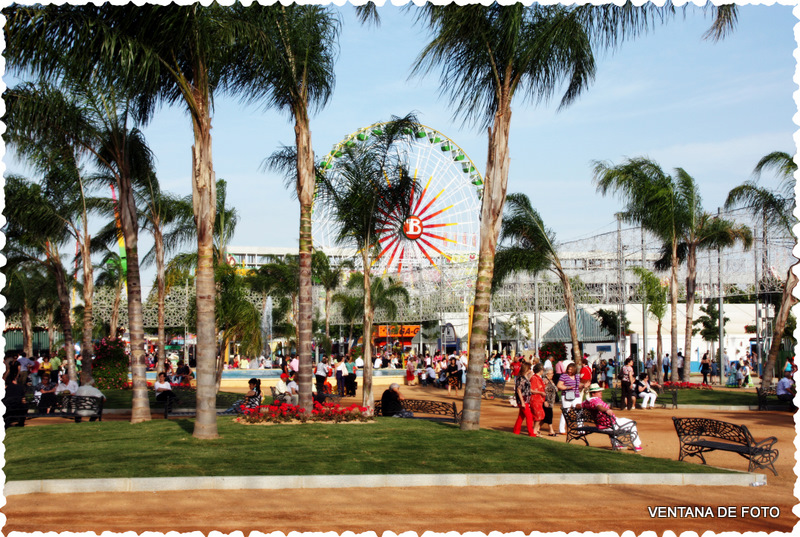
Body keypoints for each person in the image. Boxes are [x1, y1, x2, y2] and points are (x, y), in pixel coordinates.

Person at [582, 383, 642, 451]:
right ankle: (636, 445)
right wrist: (606, 410)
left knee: (617, 421)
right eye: (598, 392)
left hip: (601, 425)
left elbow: (578, 406)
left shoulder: (587, 401)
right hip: (609, 425)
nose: (601, 393)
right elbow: (599, 407)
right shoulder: (596, 400)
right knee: (632, 423)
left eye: (600, 391)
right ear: (593, 393)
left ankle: (616, 444)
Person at [556, 362, 581, 435]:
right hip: (566, 396)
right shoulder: (564, 376)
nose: (569, 371)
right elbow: (559, 385)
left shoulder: (577, 376)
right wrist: (567, 387)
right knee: (565, 412)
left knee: (579, 412)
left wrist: (583, 386)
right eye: (568, 369)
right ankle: (562, 429)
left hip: (576, 396)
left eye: (571, 369)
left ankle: (580, 429)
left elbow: (578, 385)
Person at [513, 361, 535, 437]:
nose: (530, 370)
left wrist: (530, 376)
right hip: (523, 400)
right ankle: (531, 433)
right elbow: (519, 390)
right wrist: (522, 402)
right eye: (529, 369)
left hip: (525, 399)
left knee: (521, 416)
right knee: (529, 416)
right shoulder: (521, 378)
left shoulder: (524, 377)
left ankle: (516, 431)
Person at [3, 362, 26, 428]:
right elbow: (23, 401)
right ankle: (21, 422)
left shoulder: (7, 388)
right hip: (18, 407)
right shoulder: (20, 388)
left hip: (8, 408)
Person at [529, 363, 546, 436]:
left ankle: (536, 430)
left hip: (539, 400)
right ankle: (535, 430)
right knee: (538, 415)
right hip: (535, 399)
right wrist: (540, 392)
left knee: (540, 415)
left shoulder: (538, 378)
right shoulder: (534, 378)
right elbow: (531, 390)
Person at [542, 369, 558, 436]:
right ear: (546, 374)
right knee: (549, 415)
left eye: (552, 373)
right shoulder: (544, 380)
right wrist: (545, 400)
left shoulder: (551, 381)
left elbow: (556, 389)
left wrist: (553, 383)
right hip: (547, 401)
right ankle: (551, 431)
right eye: (551, 373)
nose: (552, 374)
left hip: (551, 402)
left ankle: (536, 429)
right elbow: (543, 391)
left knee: (545, 417)